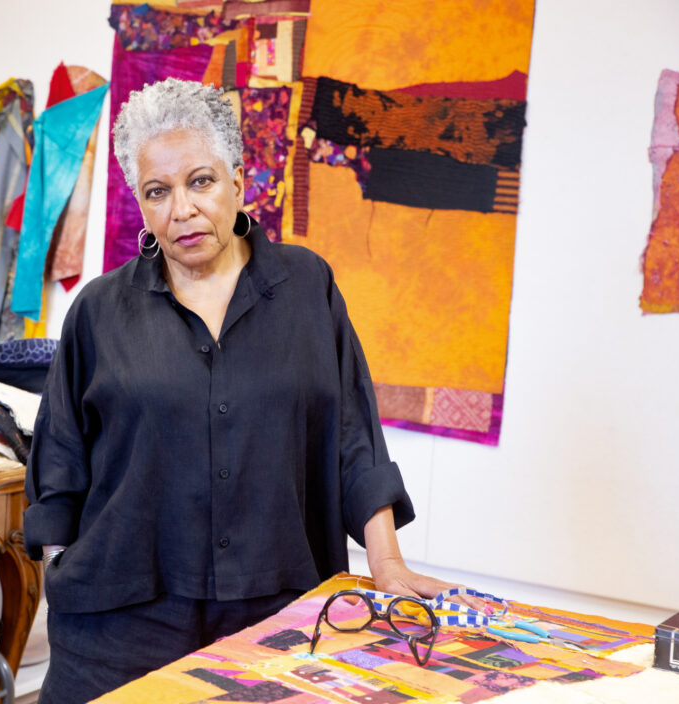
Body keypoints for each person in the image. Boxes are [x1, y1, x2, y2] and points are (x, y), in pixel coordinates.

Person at [24, 77, 470, 703]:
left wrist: (386, 563)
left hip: (278, 614)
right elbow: (59, 460)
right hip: (119, 623)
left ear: (238, 178)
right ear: (142, 204)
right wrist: (59, 570)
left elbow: (353, 439)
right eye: (158, 191)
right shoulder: (99, 310)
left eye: (200, 181)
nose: (182, 209)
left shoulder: (307, 285)